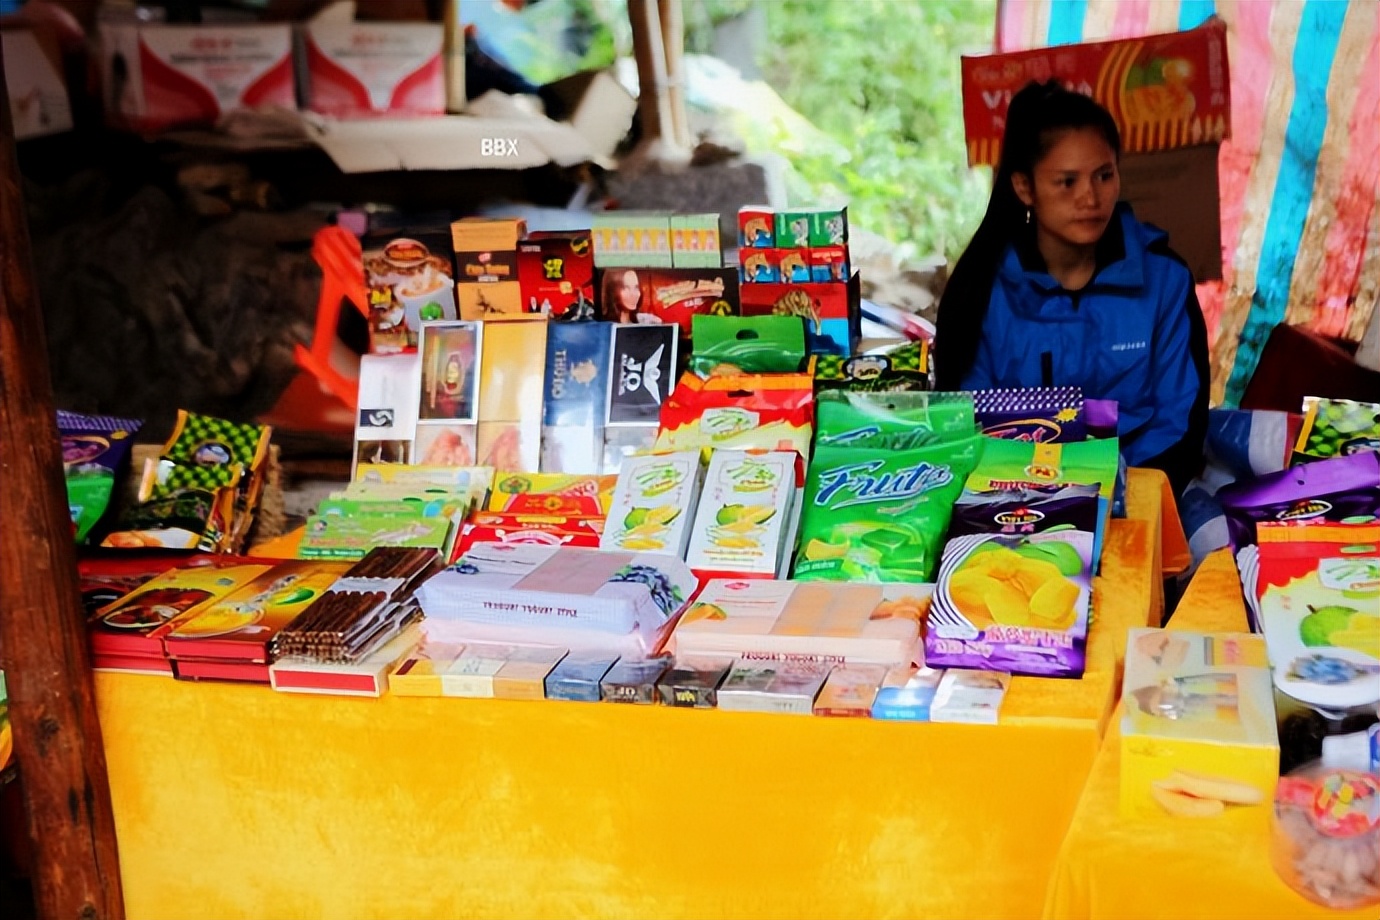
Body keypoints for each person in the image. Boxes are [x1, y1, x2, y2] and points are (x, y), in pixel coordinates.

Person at [935, 81, 1209, 494]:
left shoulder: (1164, 280)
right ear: (1024, 187)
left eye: (1104, 176)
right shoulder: (984, 292)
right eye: (1067, 182)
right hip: (1012, 497)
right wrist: (1044, 492)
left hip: (1141, 492)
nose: (1090, 197)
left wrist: (1117, 492)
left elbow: (1181, 419)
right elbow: (970, 424)